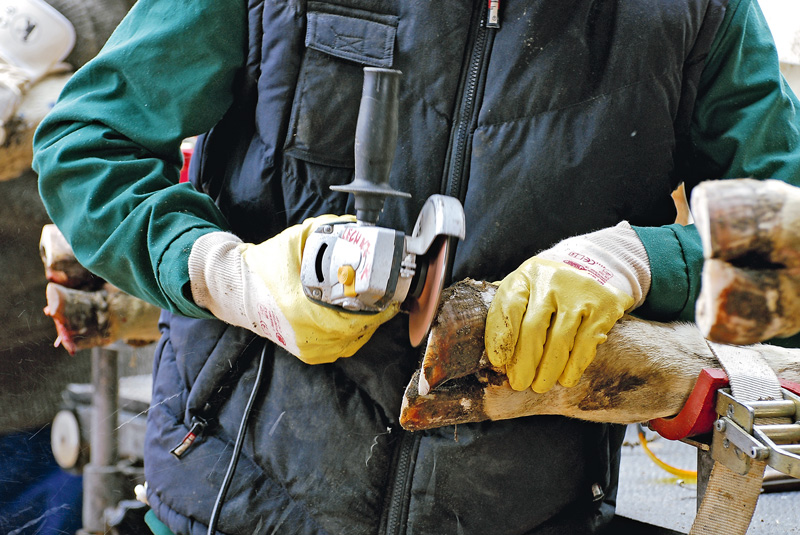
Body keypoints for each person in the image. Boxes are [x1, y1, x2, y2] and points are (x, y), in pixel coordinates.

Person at [32, 0, 800, 533]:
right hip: (233, 497)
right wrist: (228, 274)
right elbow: (85, 146)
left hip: (519, 509)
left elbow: (785, 224)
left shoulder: (700, 14)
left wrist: (640, 260)